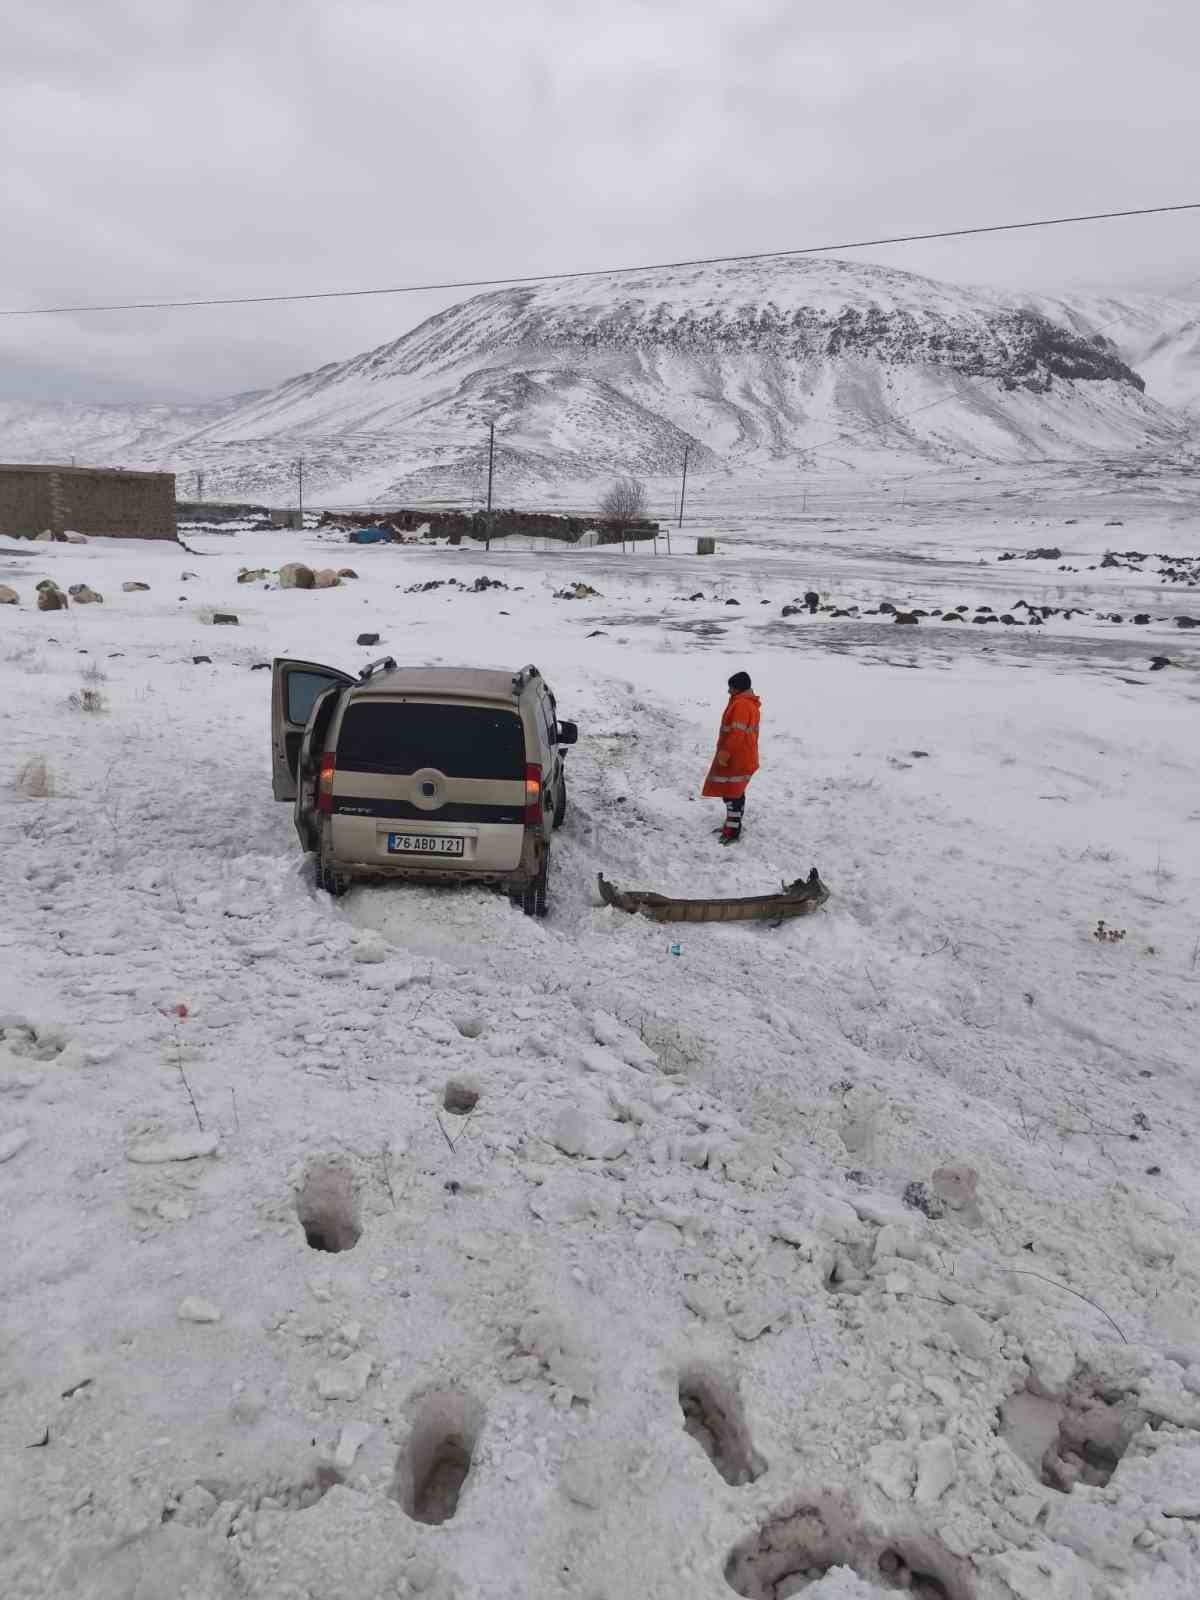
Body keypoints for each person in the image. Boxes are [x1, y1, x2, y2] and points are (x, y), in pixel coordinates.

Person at [702, 671, 761, 844]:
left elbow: (736, 734)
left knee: (731, 794)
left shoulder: (742, 705)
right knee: (736, 792)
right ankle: (733, 824)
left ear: (738, 688)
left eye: (731, 687)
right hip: (743, 755)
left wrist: (725, 754)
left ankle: (733, 831)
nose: (729, 691)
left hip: (737, 758)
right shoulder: (747, 703)